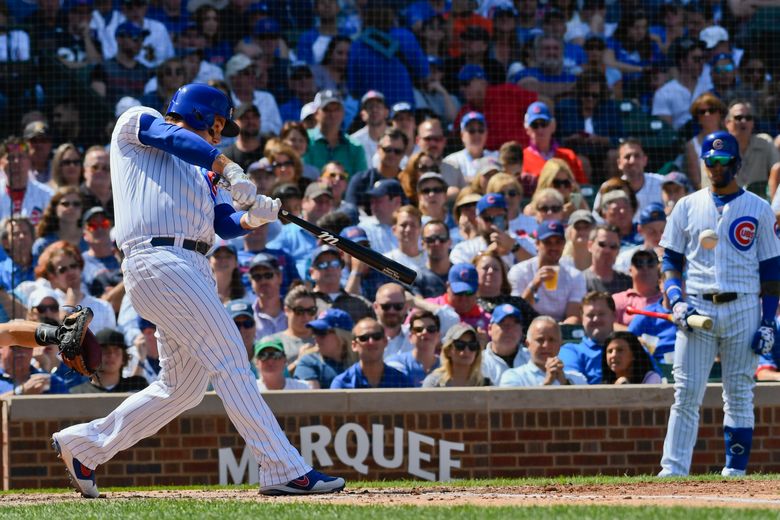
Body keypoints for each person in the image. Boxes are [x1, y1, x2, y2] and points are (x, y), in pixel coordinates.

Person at [51, 84, 344, 498]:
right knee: (230, 359)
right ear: (203, 115)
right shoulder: (138, 122)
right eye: (219, 125)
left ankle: (85, 447)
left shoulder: (202, 170)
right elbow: (172, 138)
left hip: (190, 266)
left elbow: (221, 223)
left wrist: (253, 219)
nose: (220, 135)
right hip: (159, 259)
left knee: (182, 387)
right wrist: (229, 167)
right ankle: (282, 467)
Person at [657, 130, 780, 478]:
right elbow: (671, 261)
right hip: (696, 306)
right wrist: (676, 299)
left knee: (739, 391)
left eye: (723, 161)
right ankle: (673, 470)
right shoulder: (687, 205)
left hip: (743, 304)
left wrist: (769, 320)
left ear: (737, 164)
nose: (716, 167)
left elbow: (772, 272)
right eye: (711, 161)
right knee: (686, 393)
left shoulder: (758, 208)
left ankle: (735, 472)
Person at [508, 220, 586, 324]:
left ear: (564, 244)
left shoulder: (575, 276)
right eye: (547, 242)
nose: (553, 247)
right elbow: (516, 312)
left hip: (559, 330)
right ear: (537, 244)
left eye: (558, 242)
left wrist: (554, 331)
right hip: (525, 327)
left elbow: (573, 316)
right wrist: (534, 285)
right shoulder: (519, 271)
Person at [499, 315, 587, 387]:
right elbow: (514, 407)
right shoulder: (513, 377)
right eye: (540, 340)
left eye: (552, 340)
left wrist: (565, 383)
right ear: (528, 344)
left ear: (560, 344)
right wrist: (546, 384)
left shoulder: (578, 379)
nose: (546, 345)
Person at [330, 317, 414, 389]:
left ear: (385, 341)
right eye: (364, 338)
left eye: (376, 336)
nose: (371, 342)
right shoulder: (342, 384)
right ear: (354, 345)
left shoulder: (402, 382)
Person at [558, 291, 617, 384]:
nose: (596, 319)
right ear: (582, 319)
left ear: (614, 316)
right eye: (590, 315)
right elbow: (572, 384)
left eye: (601, 314)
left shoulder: (630, 347)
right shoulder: (570, 350)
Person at [69, 328, 149, 394]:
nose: (111, 355)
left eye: (116, 350)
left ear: (123, 358)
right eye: (104, 350)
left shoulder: (138, 386)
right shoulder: (78, 393)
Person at [294, 308, 355, 389]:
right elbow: (311, 398)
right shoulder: (310, 361)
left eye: (321, 332)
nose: (315, 337)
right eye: (315, 331)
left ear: (342, 337)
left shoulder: (361, 360)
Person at [0, 137, 54, 226]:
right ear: (1, 163)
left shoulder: (47, 195)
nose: (16, 162)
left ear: (29, 161)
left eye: (21, 157)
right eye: (10, 157)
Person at [386, 308, 441, 387]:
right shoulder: (394, 364)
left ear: (438, 336)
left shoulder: (447, 366)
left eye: (431, 329)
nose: (424, 333)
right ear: (410, 337)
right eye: (418, 329)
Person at [422, 322, 488, 388]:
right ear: (448, 351)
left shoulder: (485, 384)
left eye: (472, 345)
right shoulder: (434, 383)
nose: (466, 350)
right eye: (460, 345)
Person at [481, 303, 529, 386]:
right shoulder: (480, 361)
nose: (509, 329)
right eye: (502, 323)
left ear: (521, 330)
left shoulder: (531, 358)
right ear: (489, 329)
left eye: (515, 324)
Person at [613, 249, 663, 326]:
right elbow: (609, 325)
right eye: (639, 263)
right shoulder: (617, 300)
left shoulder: (667, 300)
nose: (645, 268)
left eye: (650, 263)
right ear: (630, 270)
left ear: (658, 269)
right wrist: (636, 337)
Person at [582, 225, 632, 295]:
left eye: (613, 246)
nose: (607, 250)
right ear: (590, 246)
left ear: (618, 251)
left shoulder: (628, 283)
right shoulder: (580, 281)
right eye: (602, 244)